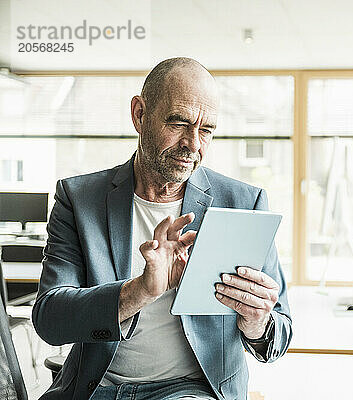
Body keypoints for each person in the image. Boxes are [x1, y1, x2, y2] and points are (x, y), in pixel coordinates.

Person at [32, 57, 293, 400]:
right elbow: (50, 319)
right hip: (96, 389)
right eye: (179, 122)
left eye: (206, 130)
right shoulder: (79, 200)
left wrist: (257, 321)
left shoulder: (243, 202)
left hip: (191, 389)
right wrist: (140, 290)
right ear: (139, 115)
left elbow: (280, 335)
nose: (194, 144)